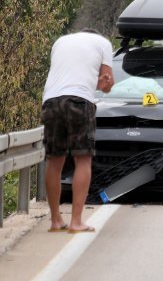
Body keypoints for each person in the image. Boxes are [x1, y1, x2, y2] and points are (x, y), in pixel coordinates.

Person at [41, 29, 114, 233]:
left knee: (54, 160)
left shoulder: (60, 41)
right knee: (83, 159)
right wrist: (103, 85)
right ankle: (76, 221)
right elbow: (107, 81)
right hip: (80, 101)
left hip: (51, 101)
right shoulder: (103, 43)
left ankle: (56, 220)